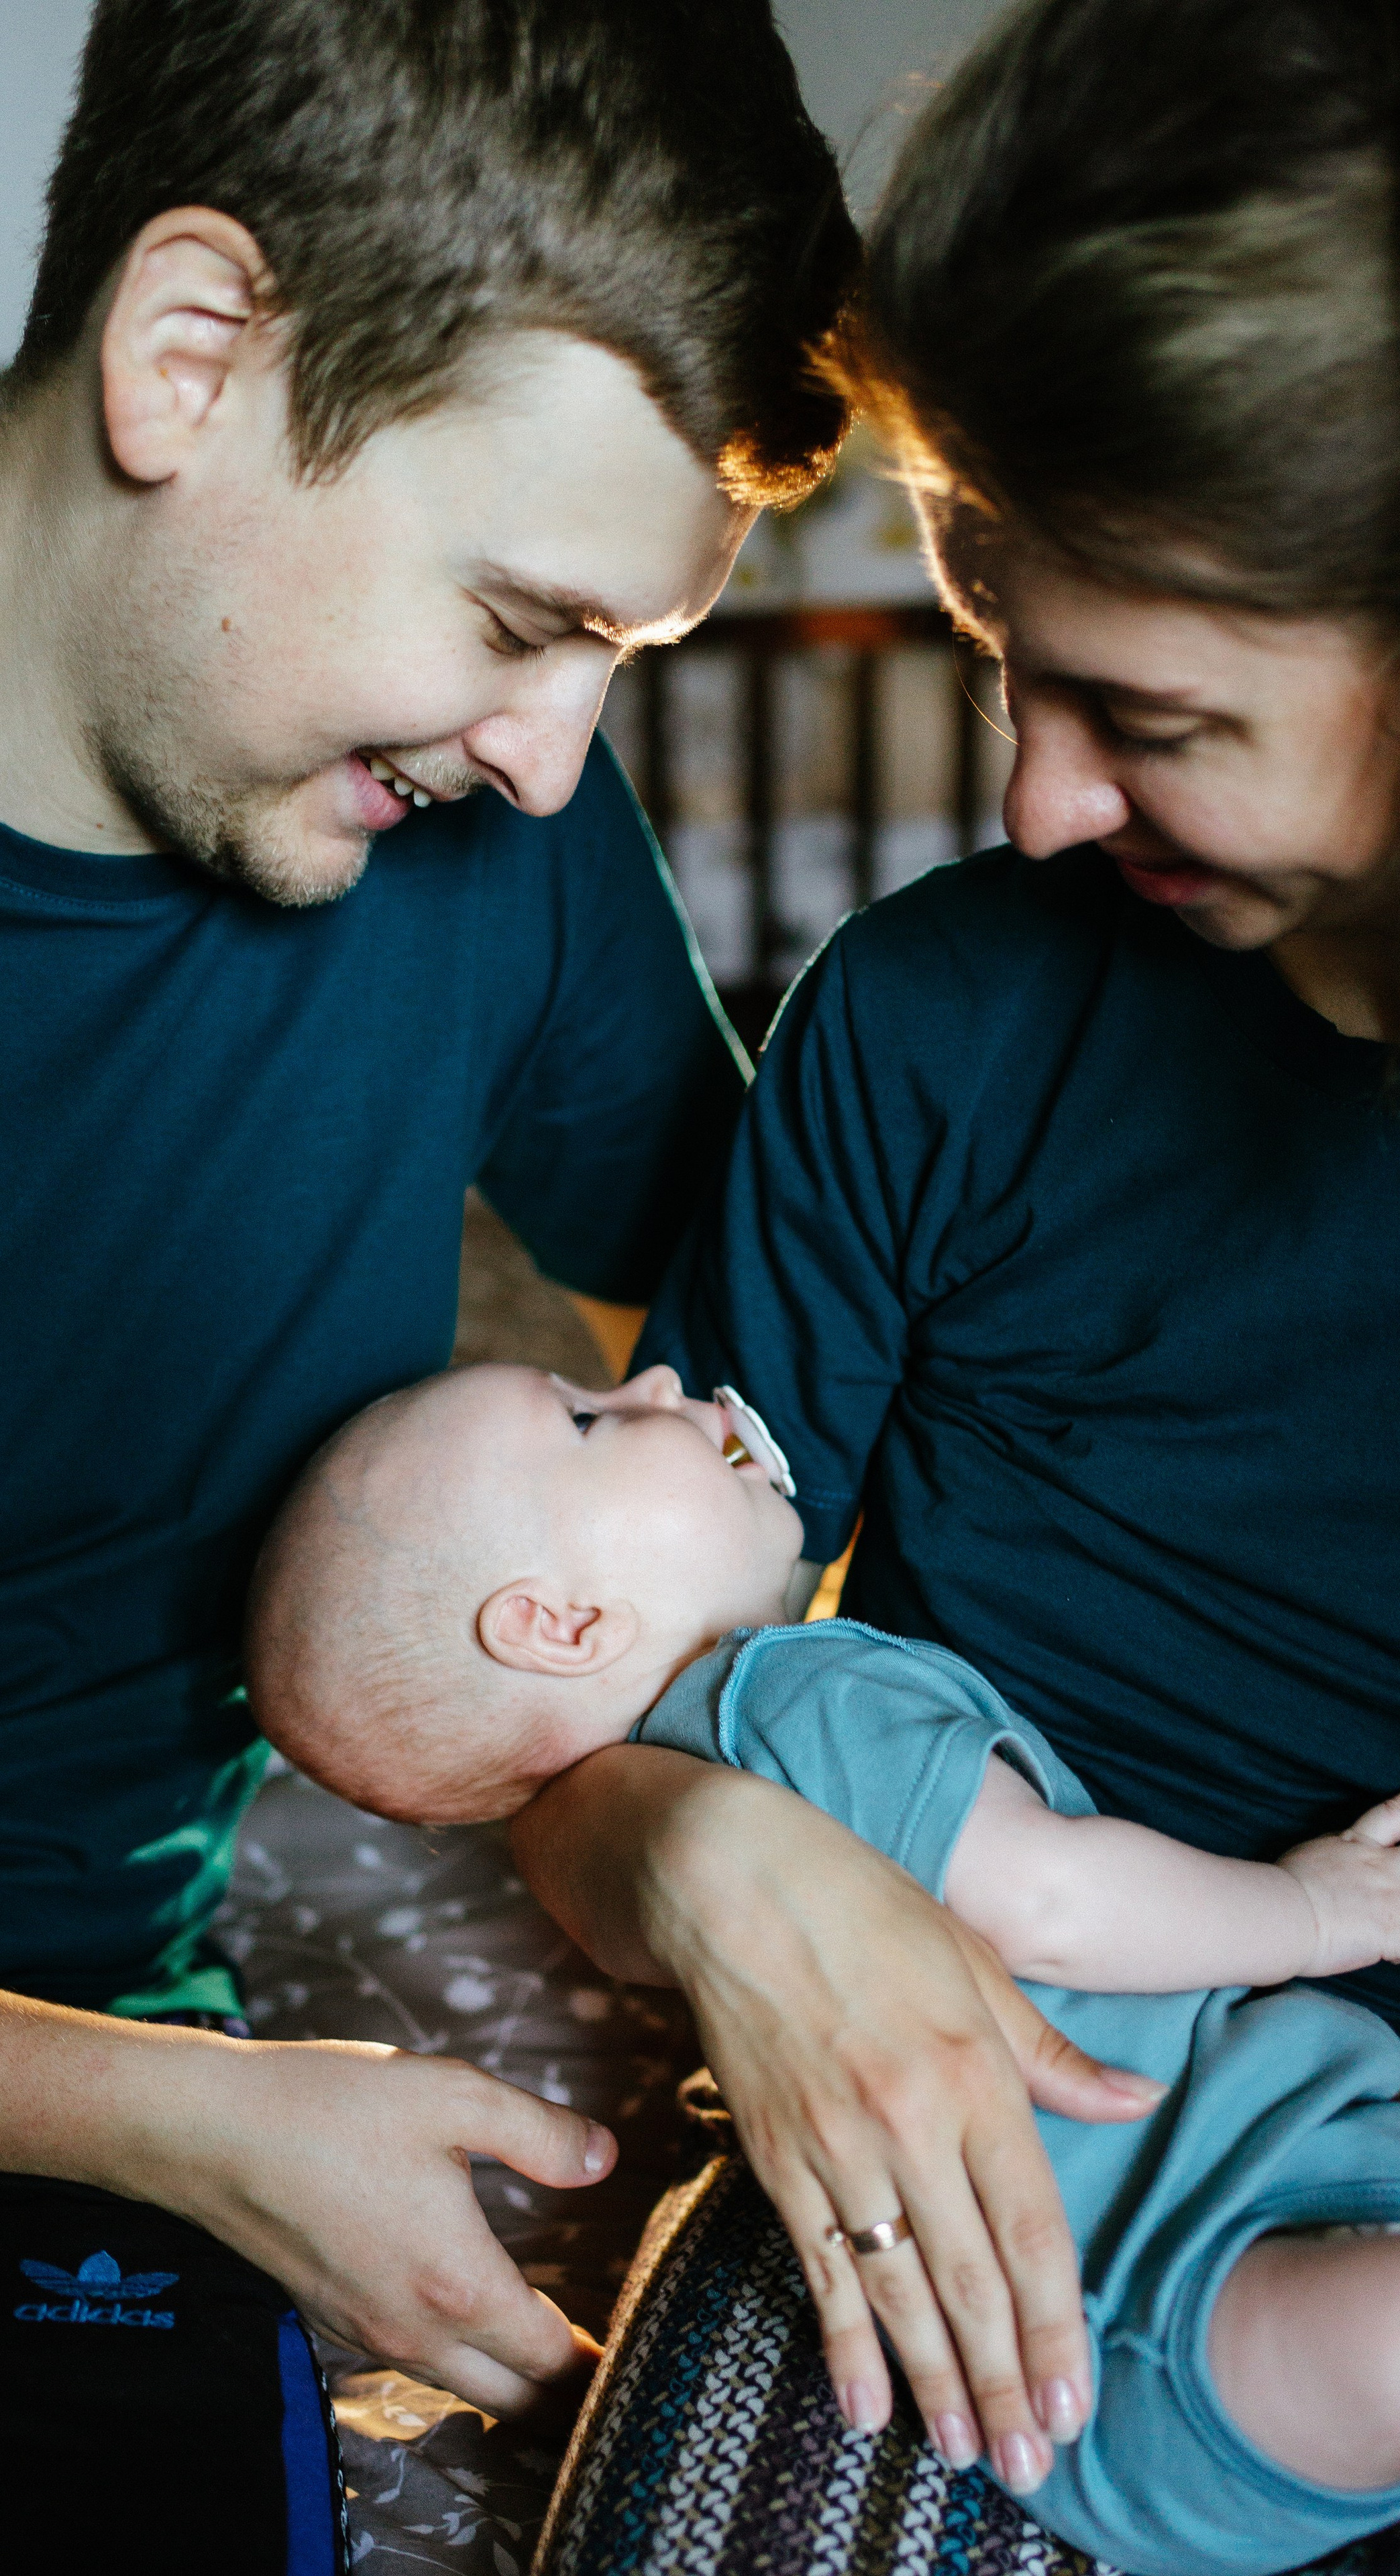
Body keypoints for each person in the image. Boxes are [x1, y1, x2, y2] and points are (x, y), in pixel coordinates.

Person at [506, 0, 1400, 2508]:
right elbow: (620, 1690)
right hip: (1024, 2099)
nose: (1037, 803)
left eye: (1146, 711)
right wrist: (708, 1857)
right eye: (999, 657)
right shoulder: (946, 1021)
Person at [0, 0, 870, 2552]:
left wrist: (696, 1822)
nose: (552, 761)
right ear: (194, 356)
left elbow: (752, 1373)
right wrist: (169, 2113)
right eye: (519, 615)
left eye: (621, 654)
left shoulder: (485, 843)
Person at [246, 1357, 1400, 2571]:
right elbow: (1055, 1902)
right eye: (585, 1416)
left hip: (1278, 2176)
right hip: (1161, 2321)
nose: (655, 1376)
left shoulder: (717, 1758)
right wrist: (1312, 1911)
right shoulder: (788, 1698)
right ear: (560, 1624)